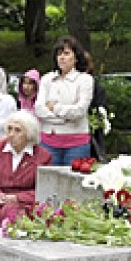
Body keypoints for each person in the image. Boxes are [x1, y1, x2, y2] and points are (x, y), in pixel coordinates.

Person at [0, 110, 52, 230]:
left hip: (25, 202)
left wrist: (17, 197)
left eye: (17, 130)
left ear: (29, 134)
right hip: (0, 197)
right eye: (9, 129)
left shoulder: (43, 156)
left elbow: (42, 190)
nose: (11, 134)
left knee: (11, 210)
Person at [35, 36, 94, 166]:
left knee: (73, 183)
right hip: (48, 142)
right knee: (48, 182)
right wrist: (64, 117)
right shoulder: (47, 79)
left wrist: (54, 107)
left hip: (77, 144)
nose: (62, 57)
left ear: (76, 57)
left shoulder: (85, 80)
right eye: (59, 54)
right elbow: (39, 109)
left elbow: (79, 111)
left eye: (66, 53)